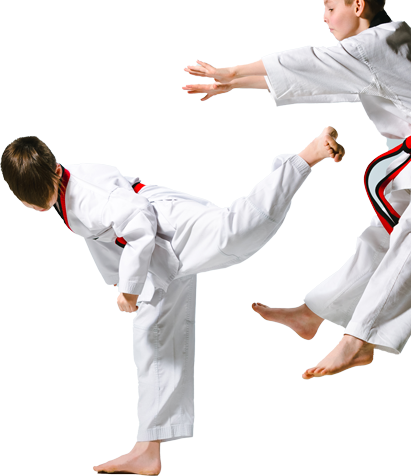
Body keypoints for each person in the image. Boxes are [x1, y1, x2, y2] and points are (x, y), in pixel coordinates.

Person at [182, 0, 411, 379]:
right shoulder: (381, 42)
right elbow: (316, 75)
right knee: (379, 239)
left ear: (359, 5)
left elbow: (309, 64)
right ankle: (313, 314)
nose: (325, 16)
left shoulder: (374, 46)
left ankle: (358, 341)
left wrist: (232, 72)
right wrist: (232, 81)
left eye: (331, 6)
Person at [1, 127, 343, 475]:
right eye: (30, 203)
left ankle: (305, 157)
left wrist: (130, 287)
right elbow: (99, 236)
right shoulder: (61, 188)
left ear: (55, 171)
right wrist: (120, 280)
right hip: (151, 254)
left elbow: (136, 221)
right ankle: (148, 451)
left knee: (236, 231)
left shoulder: (88, 196)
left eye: (40, 197)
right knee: (153, 339)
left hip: (166, 226)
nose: (37, 206)